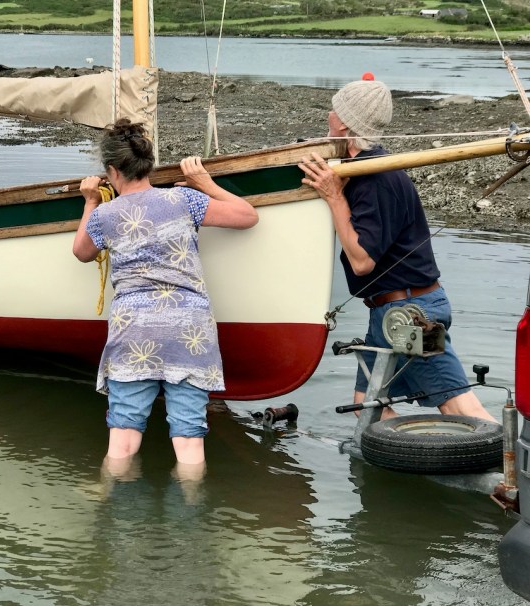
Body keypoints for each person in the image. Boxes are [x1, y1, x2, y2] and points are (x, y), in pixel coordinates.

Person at [297, 76, 496, 422]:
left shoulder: (377, 180)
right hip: (390, 311)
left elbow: (362, 262)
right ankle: (423, 452)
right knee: (367, 406)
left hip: (410, 315)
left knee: (461, 408)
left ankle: (505, 454)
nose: (329, 114)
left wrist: (333, 197)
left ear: (343, 123)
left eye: (334, 109)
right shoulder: (366, 171)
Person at [72, 118, 258, 471]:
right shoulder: (184, 199)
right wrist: (206, 183)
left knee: (123, 437)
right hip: (189, 328)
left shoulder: (105, 215)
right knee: (189, 439)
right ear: (148, 164)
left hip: (134, 328)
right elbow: (247, 216)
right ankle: (190, 500)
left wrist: (90, 202)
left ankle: (116, 501)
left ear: (112, 171)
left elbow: (82, 252)